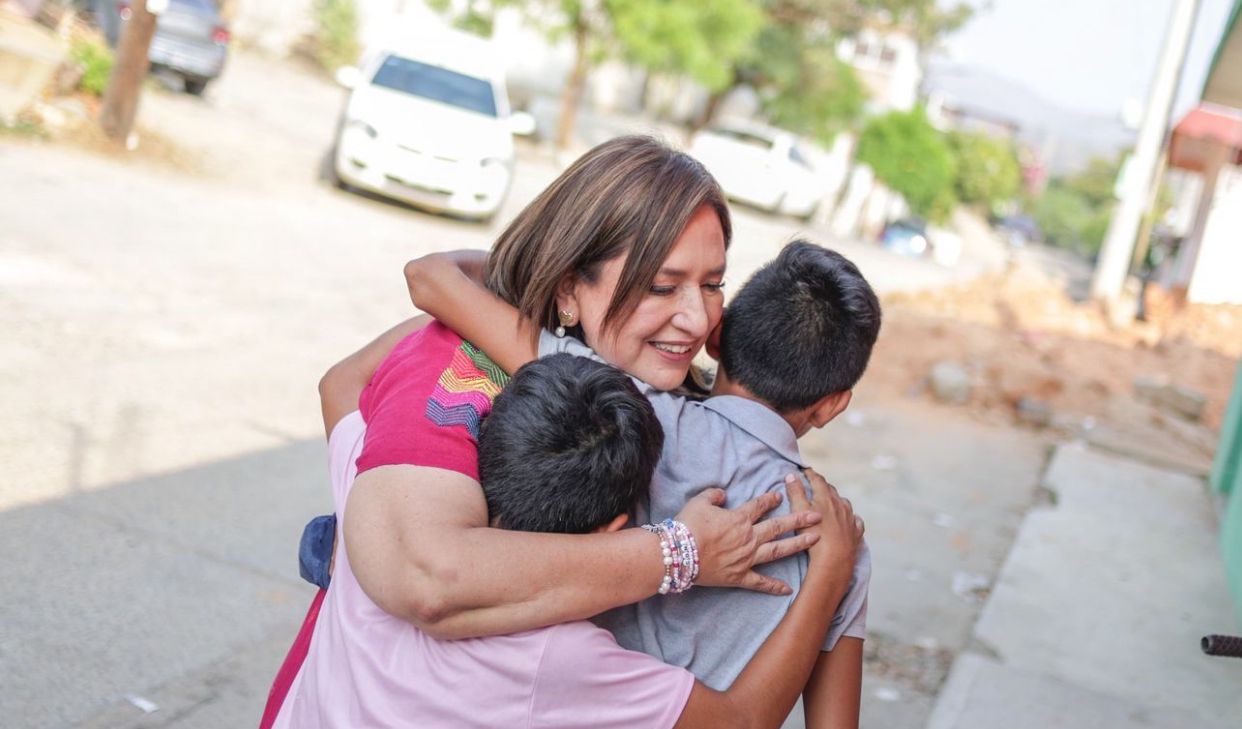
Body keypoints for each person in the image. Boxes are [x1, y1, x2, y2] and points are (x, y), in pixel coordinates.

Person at [262, 136, 855, 727]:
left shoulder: (676, 407)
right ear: (571, 288)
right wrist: (680, 552)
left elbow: (344, 385)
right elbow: (427, 575)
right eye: (661, 286)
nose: (697, 319)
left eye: (713, 284)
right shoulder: (465, 370)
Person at [405, 239, 881, 727]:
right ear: (831, 406)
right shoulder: (841, 547)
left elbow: (432, 279)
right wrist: (829, 576)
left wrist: (557, 268)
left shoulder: (620, 411)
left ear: (715, 337)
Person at [276, 345, 861, 727]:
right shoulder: (557, 659)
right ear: (614, 529)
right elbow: (743, 722)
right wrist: (829, 572)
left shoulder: (380, 509)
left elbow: (342, 384)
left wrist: (460, 294)